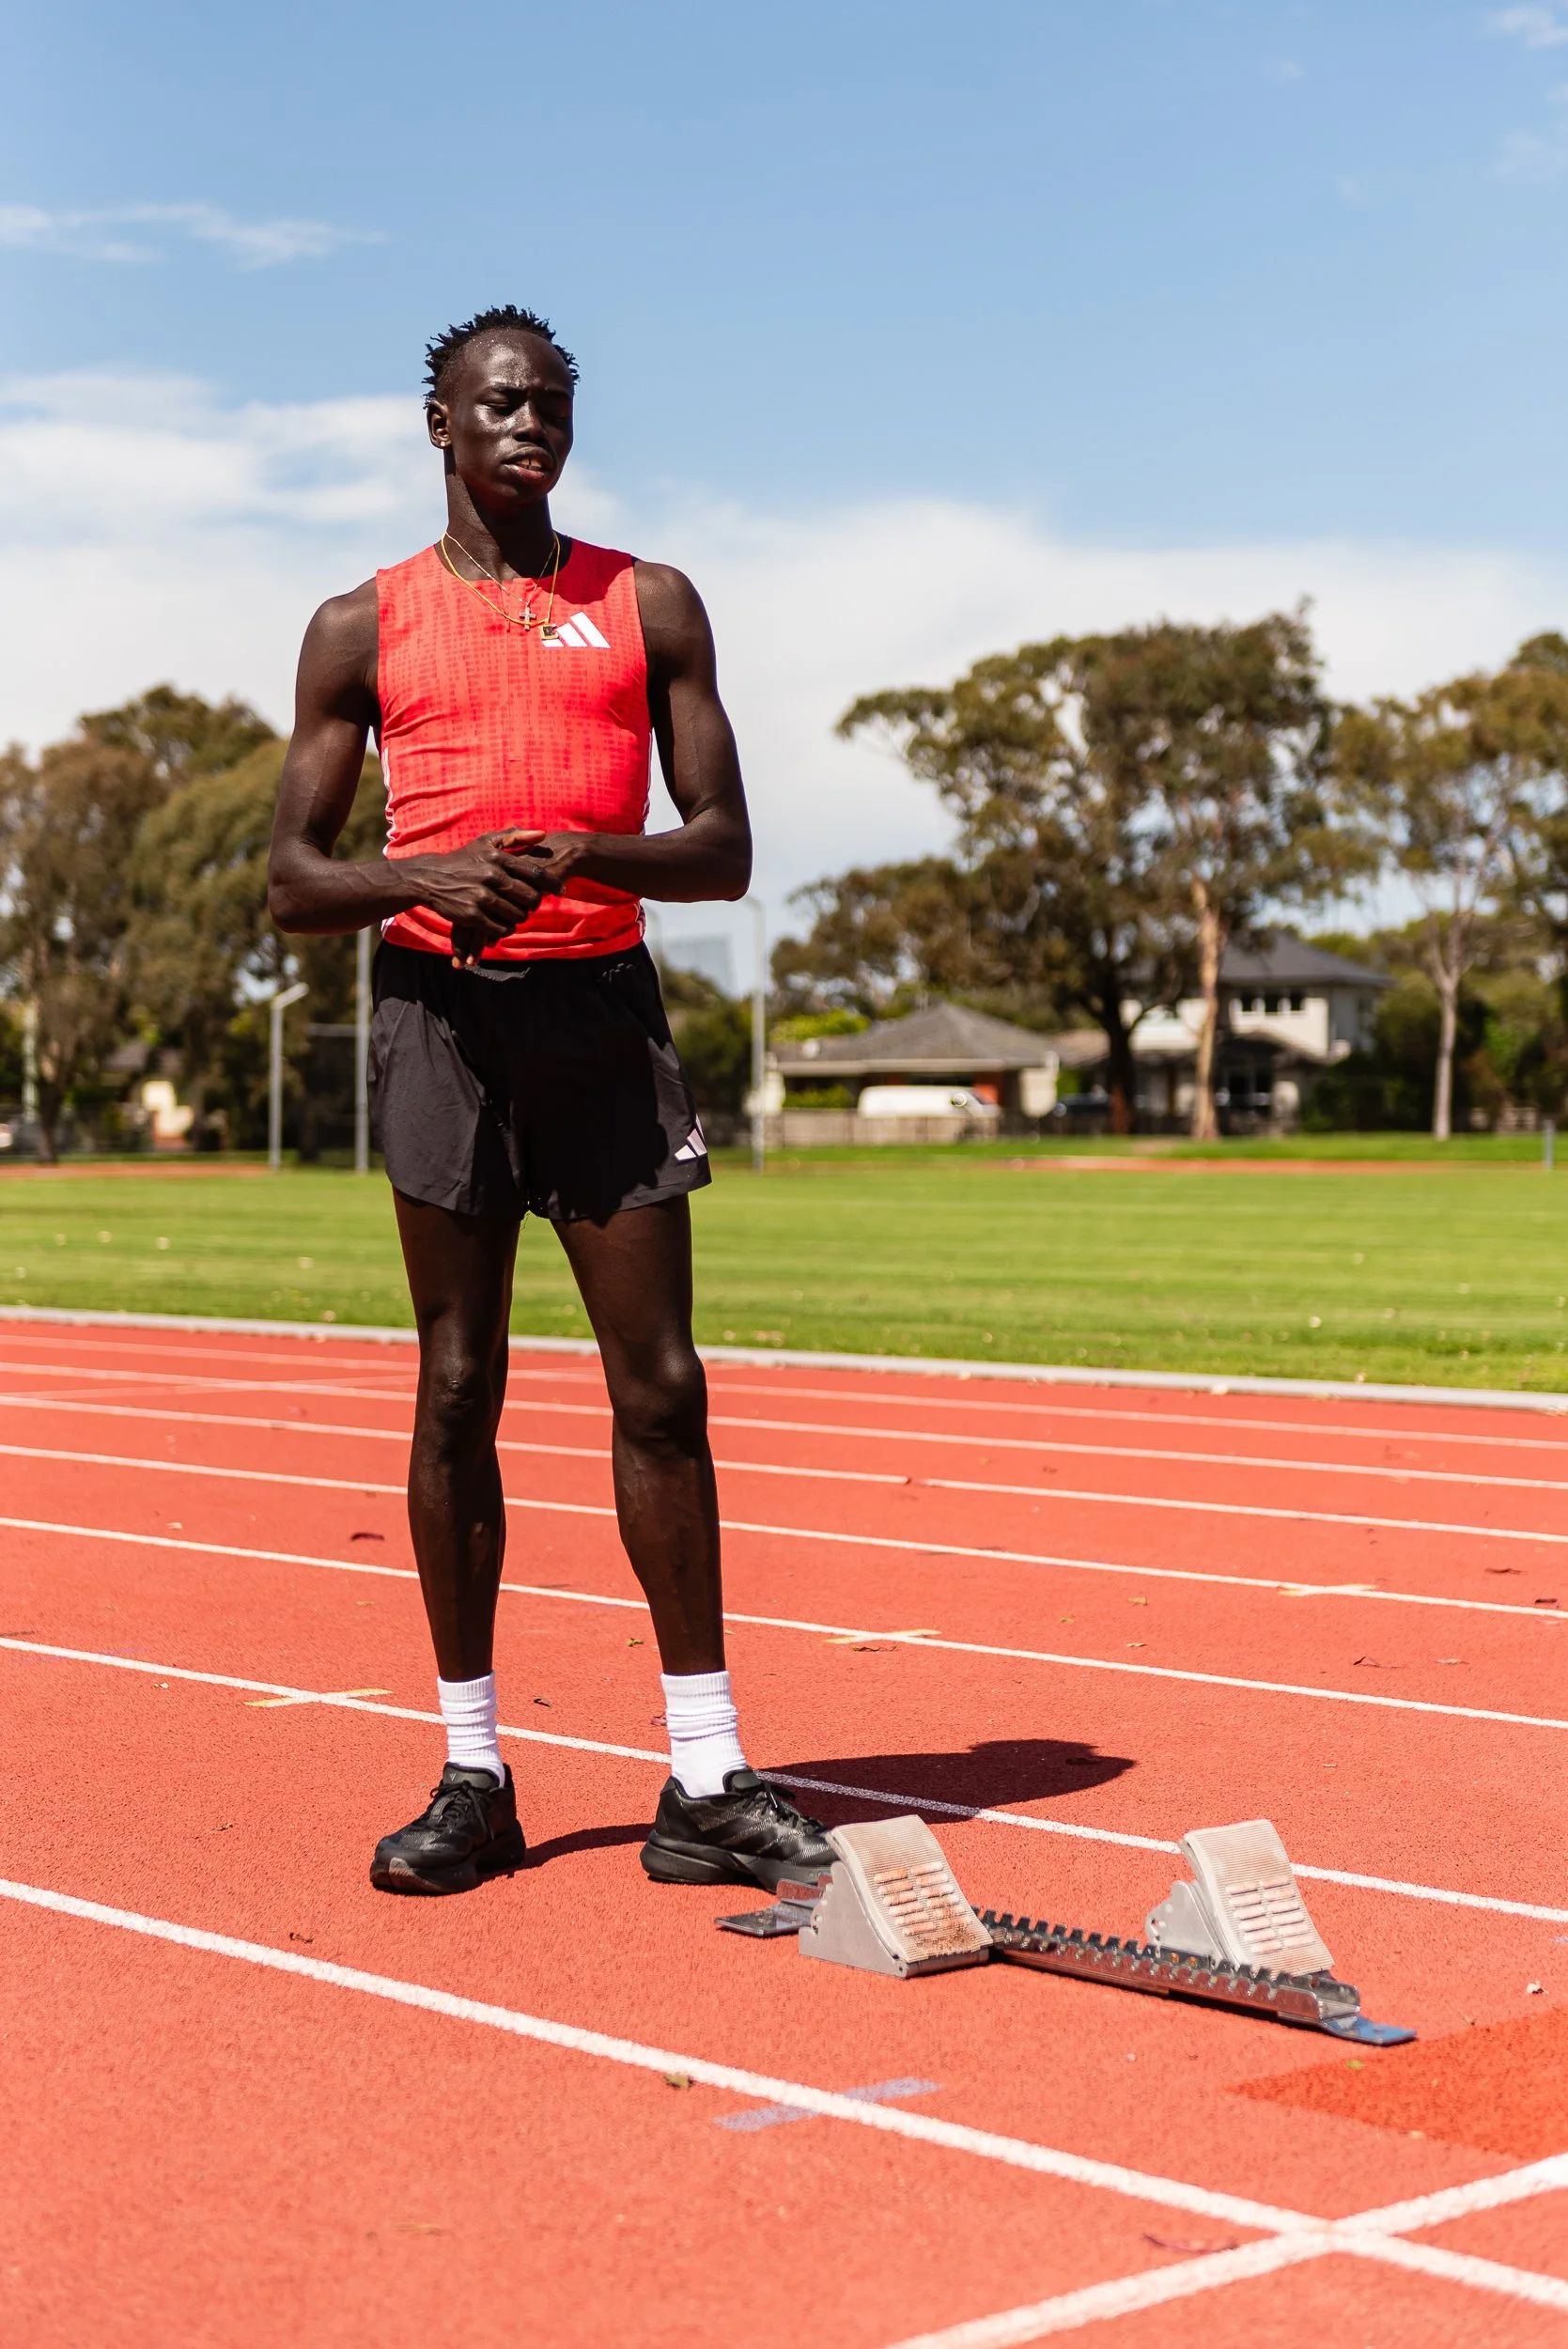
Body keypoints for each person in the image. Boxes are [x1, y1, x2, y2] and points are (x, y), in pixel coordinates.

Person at [268, 303, 832, 1897]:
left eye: (550, 408)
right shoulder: (357, 627)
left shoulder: (646, 603)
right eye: (497, 406)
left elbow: (721, 847)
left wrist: (589, 853)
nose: (527, 427)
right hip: (440, 1020)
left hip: (604, 1017)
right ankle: (471, 1772)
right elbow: (292, 882)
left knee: (662, 1388)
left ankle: (708, 1780)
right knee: (458, 1388)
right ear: (437, 425)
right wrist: (428, 874)